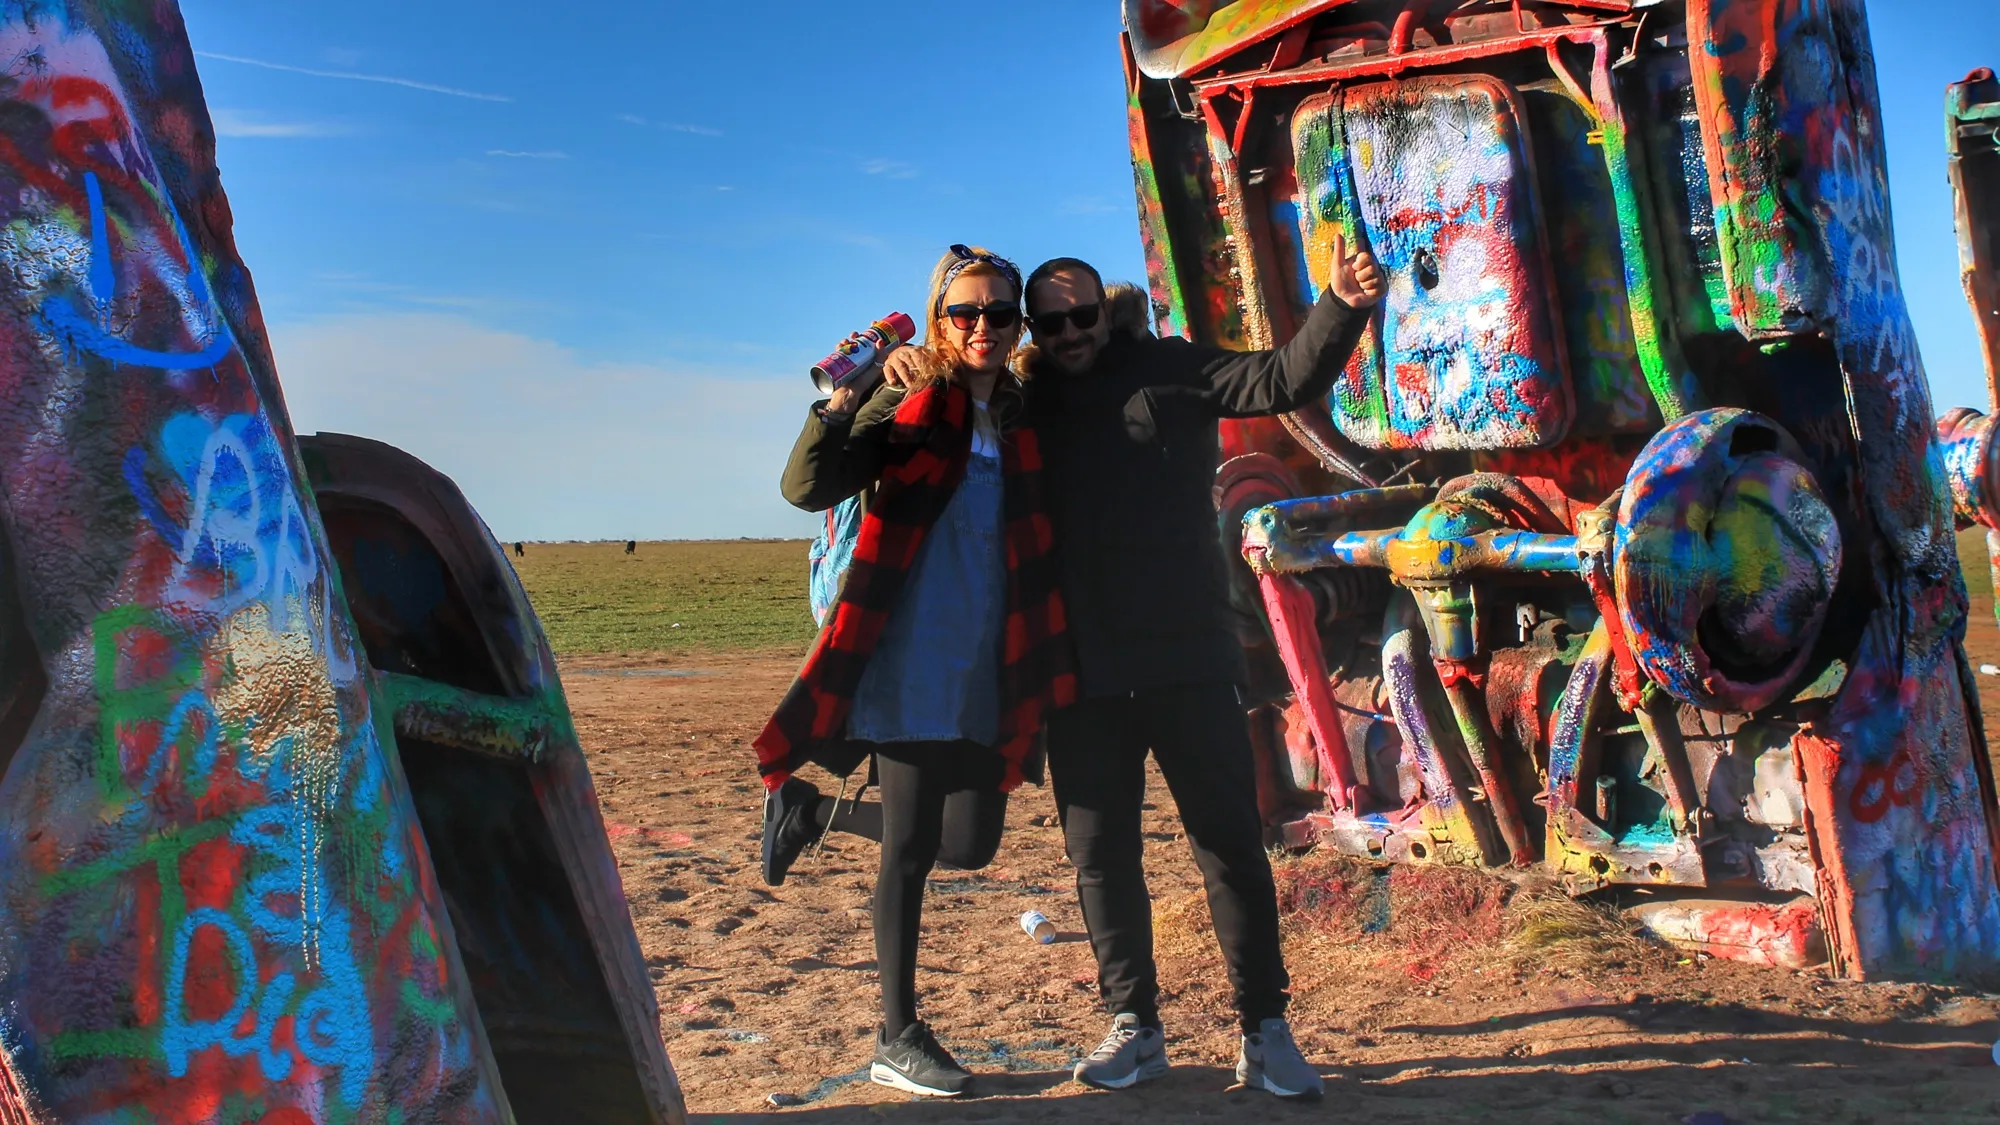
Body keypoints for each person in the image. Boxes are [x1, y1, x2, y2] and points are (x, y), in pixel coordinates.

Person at [881, 232, 1384, 1101]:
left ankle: (1264, 1028)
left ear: (1102, 315)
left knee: (1228, 844)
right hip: (1081, 671)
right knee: (1101, 855)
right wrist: (903, 361)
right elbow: (953, 381)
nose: (1070, 332)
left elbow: (1279, 379)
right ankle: (1134, 1027)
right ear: (1034, 329)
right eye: (1052, 322)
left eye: (1083, 316)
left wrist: (1339, 305)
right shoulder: (1027, 400)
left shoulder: (1172, 370)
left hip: (1190, 655)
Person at [751, 245, 1076, 1099]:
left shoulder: (1017, 413)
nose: (982, 328)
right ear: (938, 317)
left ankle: (811, 807)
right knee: (909, 847)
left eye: (999, 314)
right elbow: (805, 486)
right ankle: (898, 1033)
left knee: (968, 843)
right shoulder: (907, 401)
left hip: (988, 661)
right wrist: (843, 402)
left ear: (1017, 324)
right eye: (964, 312)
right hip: (905, 655)